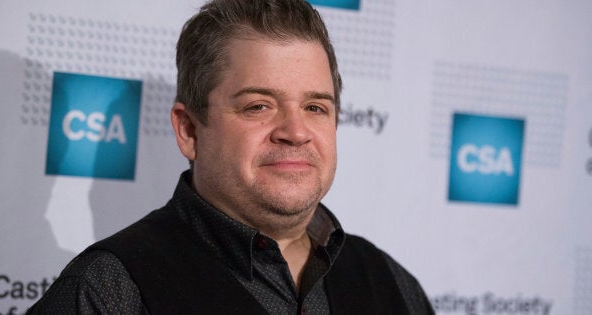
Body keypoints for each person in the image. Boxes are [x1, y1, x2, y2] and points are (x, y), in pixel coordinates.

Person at [28, 0, 434, 313]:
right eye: (258, 105)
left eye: (315, 107)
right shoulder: (110, 291)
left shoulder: (392, 285)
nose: (295, 132)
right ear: (189, 131)